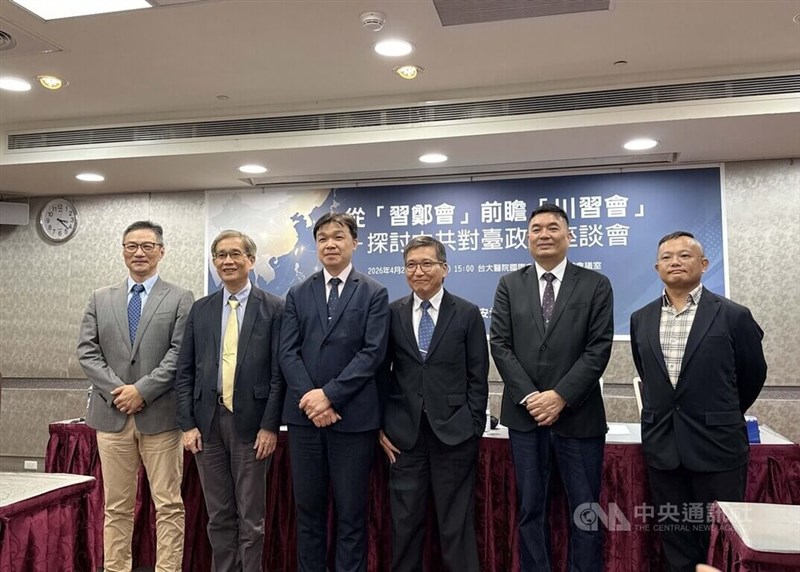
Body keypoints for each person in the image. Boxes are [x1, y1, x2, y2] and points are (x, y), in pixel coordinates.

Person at [630, 231, 766, 572]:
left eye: (684, 255)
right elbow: (648, 373)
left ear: (704, 264)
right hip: (663, 445)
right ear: (656, 266)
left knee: (719, 534)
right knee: (675, 532)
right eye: (667, 257)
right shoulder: (641, 318)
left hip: (717, 445)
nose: (675, 262)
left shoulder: (733, 315)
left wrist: (722, 414)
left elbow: (752, 375)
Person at [490, 203, 613, 572]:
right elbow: (499, 343)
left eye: (553, 228)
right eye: (536, 229)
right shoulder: (509, 284)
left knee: (584, 512)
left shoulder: (595, 284)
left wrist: (560, 396)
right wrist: (531, 397)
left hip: (579, 417)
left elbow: (598, 348)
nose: (544, 234)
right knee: (530, 509)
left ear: (569, 236)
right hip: (525, 418)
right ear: (527, 238)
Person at [77, 220, 194, 572]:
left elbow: (180, 353)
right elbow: (87, 351)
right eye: (131, 246)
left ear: (161, 250)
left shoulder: (180, 297)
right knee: (116, 506)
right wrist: (119, 393)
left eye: (147, 245)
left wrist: (142, 390)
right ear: (123, 250)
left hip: (160, 417)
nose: (139, 252)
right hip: (112, 419)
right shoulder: (100, 297)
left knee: (169, 504)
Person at [280, 212, 390, 572]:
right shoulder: (297, 292)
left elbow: (372, 354)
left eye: (339, 237)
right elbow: (288, 352)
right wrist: (312, 399)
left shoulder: (374, 292)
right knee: (308, 513)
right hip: (304, 421)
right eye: (323, 237)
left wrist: (329, 396)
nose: (330, 243)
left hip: (352, 420)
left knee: (351, 514)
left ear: (354, 243)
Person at [175, 230, 285, 572]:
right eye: (221, 255)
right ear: (214, 262)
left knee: (251, 518)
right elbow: (185, 371)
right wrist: (187, 424)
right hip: (207, 425)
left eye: (235, 254)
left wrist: (269, 426)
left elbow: (280, 375)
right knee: (219, 515)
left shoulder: (275, 309)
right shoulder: (201, 309)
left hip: (251, 426)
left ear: (250, 261)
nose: (228, 261)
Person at [379, 236, 489, 572]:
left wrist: (472, 426)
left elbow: (478, 376)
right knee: (405, 524)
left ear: (444, 269)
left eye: (427, 264)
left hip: (454, 435)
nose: (419, 271)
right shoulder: (392, 312)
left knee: (455, 526)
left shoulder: (467, 313)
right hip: (404, 438)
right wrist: (382, 427)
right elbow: (381, 374)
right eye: (411, 265)